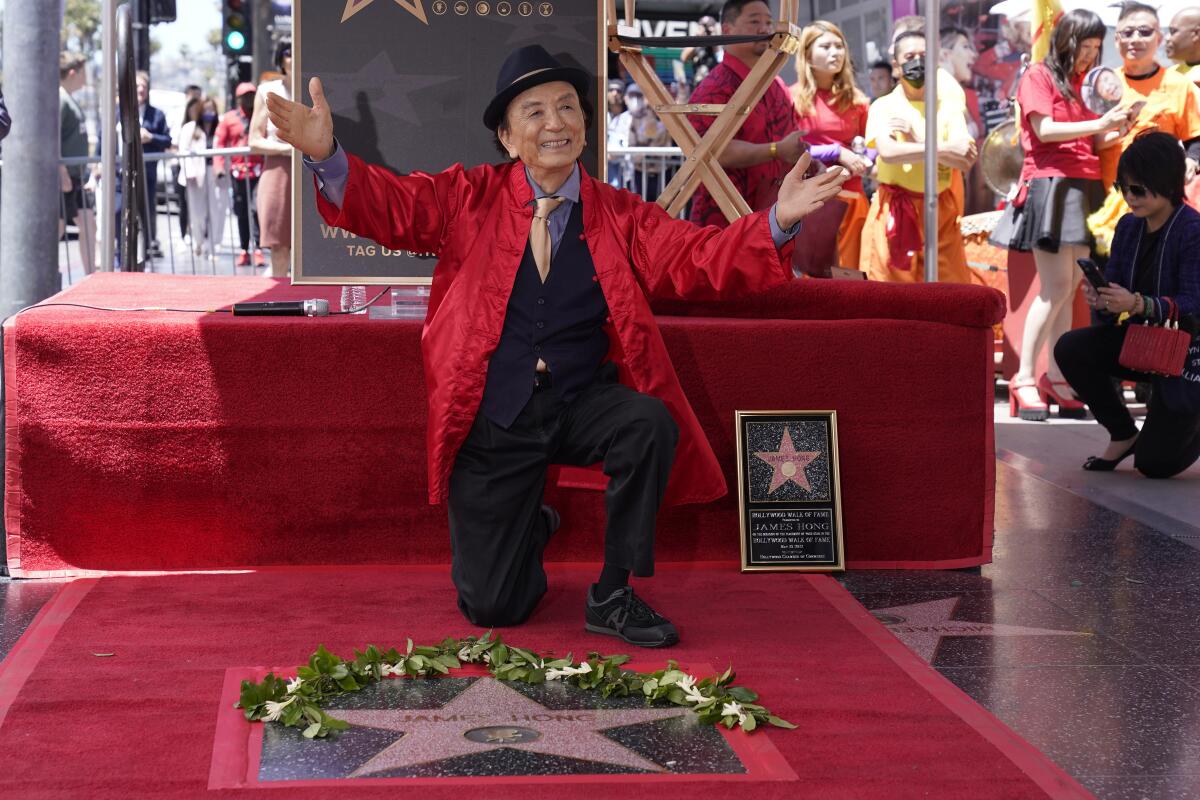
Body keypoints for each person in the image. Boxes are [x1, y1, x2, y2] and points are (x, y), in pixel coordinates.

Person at [267, 44, 848, 646]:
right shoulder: (467, 197)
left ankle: (614, 593)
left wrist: (776, 218)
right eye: (536, 112)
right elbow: (388, 206)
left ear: (586, 126)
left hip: (579, 401)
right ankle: (530, 525)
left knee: (647, 422)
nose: (556, 124)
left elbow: (698, 258)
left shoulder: (622, 214)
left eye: (568, 108)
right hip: (494, 414)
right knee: (494, 608)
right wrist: (326, 158)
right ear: (507, 136)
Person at [989, 10, 1133, 421]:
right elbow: (1045, 129)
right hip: (1050, 183)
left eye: (1094, 48)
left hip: (1082, 183)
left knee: (1069, 286)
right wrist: (1100, 122)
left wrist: (1118, 126)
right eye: (1083, 46)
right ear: (1065, 40)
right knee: (1054, 286)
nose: (1089, 55)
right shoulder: (1039, 75)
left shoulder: (1079, 84)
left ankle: (1056, 374)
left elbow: (1090, 136)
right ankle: (1023, 378)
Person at [1055, 132, 1200, 477]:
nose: (1129, 198)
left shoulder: (1193, 230)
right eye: (1124, 188)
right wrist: (1103, 299)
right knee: (1071, 347)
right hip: (1144, 345)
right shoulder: (1127, 227)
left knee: (1155, 465)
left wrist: (1138, 304)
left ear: (1165, 184)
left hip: (1185, 353)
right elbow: (1115, 302)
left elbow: (1194, 303)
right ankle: (1122, 433)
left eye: (1137, 190)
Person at [860, 25, 977, 283]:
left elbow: (966, 158)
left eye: (923, 56)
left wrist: (916, 139)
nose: (917, 63)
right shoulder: (884, 106)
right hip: (896, 210)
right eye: (909, 58)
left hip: (941, 211)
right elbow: (889, 152)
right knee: (894, 300)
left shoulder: (947, 104)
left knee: (951, 295)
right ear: (896, 66)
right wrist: (943, 149)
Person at [1087, 2, 1200, 255]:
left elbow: (1196, 137)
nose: (1135, 39)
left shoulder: (1179, 85)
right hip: (1103, 208)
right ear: (1116, 39)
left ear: (1159, 37)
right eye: (1127, 33)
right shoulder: (1100, 84)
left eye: (1145, 32)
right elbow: (1086, 141)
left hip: (1158, 210)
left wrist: (1192, 161)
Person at [687, 0, 808, 227]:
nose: (764, 29)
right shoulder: (713, 88)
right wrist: (776, 150)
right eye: (754, 21)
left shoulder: (778, 84)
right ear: (727, 30)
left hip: (776, 218)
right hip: (725, 221)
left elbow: (791, 140)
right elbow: (713, 151)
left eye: (768, 22)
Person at [790, 21, 872, 270]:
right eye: (825, 46)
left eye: (839, 46)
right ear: (806, 54)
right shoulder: (790, 98)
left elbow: (869, 146)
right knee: (810, 275)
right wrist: (837, 152)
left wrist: (862, 160)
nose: (835, 53)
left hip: (851, 197)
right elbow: (790, 149)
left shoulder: (858, 100)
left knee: (849, 274)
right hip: (809, 199)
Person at [250, 39, 295, 277]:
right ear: (280, 58)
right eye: (287, 52)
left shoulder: (318, 89)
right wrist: (286, 149)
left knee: (315, 245)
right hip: (278, 172)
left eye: (298, 51)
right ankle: (279, 301)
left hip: (313, 171)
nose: (293, 56)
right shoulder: (267, 91)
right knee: (279, 243)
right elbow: (254, 141)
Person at [215, 82, 265, 268]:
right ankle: (244, 249)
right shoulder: (229, 119)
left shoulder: (262, 116)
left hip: (259, 171)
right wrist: (219, 167)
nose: (249, 99)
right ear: (238, 98)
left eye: (252, 95)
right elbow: (219, 144)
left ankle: (258, 248)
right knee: (241, 211)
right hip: (238, 173)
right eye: (245, 96)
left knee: (256, 209)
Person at [177, 97, 229, 262]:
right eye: (205, 110)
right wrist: (188, 171)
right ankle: (198, 242)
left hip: (216, 173)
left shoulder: (220, 127)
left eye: (211, 110)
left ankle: (213, 247)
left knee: (217, 211)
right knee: (197, 212)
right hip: (195, 174)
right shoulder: (190, 129)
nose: (209, 113)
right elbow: (182, 151)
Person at [59, 52, 96, 274]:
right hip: (66, 177)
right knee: (59, 226)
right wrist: (61, 171)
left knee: (88, 224)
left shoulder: (69, 99)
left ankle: (91, 275)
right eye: (83, 72)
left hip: (77, 177)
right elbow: (52, 137)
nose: (86, 78)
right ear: (73, 72)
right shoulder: (60, 99)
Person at [136, 71, 172, 259]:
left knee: (148, 209)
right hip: (123, 173)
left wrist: (150, 137)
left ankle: (150, 244)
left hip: (148, 172)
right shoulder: (119, 113)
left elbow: (167, 140)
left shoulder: (156, 114)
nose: (140, 90)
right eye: (137, 86)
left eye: (143, 86)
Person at [619, 83, 672, 199]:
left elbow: (658, 139)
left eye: (639, 96)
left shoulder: (659, 117)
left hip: (658, 171)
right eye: (632, 96)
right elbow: (634, 141)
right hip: (637, 170)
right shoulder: (631, 118)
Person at [173, 84, 203, 244]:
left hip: (200, 169)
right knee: (183, 203)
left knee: (198, 204)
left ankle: (198, 233)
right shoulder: (179, 116)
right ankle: (184, 232)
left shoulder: (203, 121)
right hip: (182, 168)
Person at [679, 15, 720, 86]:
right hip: (698, 84)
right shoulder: (697, 45)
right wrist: (697, 38)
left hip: (714, 84)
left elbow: (719, 56)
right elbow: (683, 58)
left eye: (707, 27)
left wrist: (713, 37)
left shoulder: (717, 43)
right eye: (703, 27)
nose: (706, 30)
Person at [605, 79, 631, 189]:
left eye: (619, 90)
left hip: (627, 166)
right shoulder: (602, 116)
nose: (615, 93)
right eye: (611, 90)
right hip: (607, 167)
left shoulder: (630, 116)